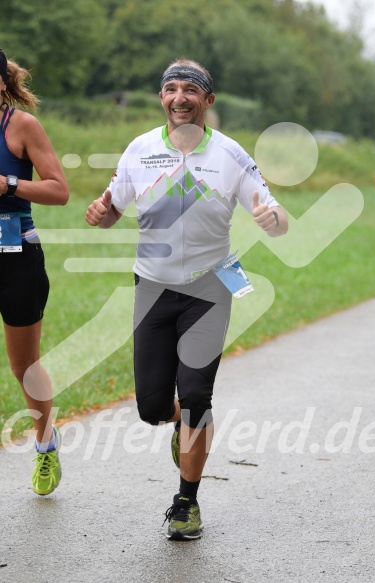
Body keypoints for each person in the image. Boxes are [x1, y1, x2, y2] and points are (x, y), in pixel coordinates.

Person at [85, 58, 288, 540]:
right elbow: (112, 208)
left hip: (209, 288)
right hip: (152, 288)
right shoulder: (140, 149)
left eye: (190, 90)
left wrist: (272, 219)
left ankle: (186, 502)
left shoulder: (232, 154)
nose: (180, 98)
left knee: (196, 396)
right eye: (171, 89)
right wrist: (100, 212)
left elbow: (274, 212)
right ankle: (183, 425)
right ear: (162, 98)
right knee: (152, 407)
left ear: (207, 101)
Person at [0, 48, 69, 495]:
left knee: (24, 365)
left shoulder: (20, 126)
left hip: (15, 256)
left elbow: (59, 190)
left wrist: (7, 184)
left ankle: (46, 445)